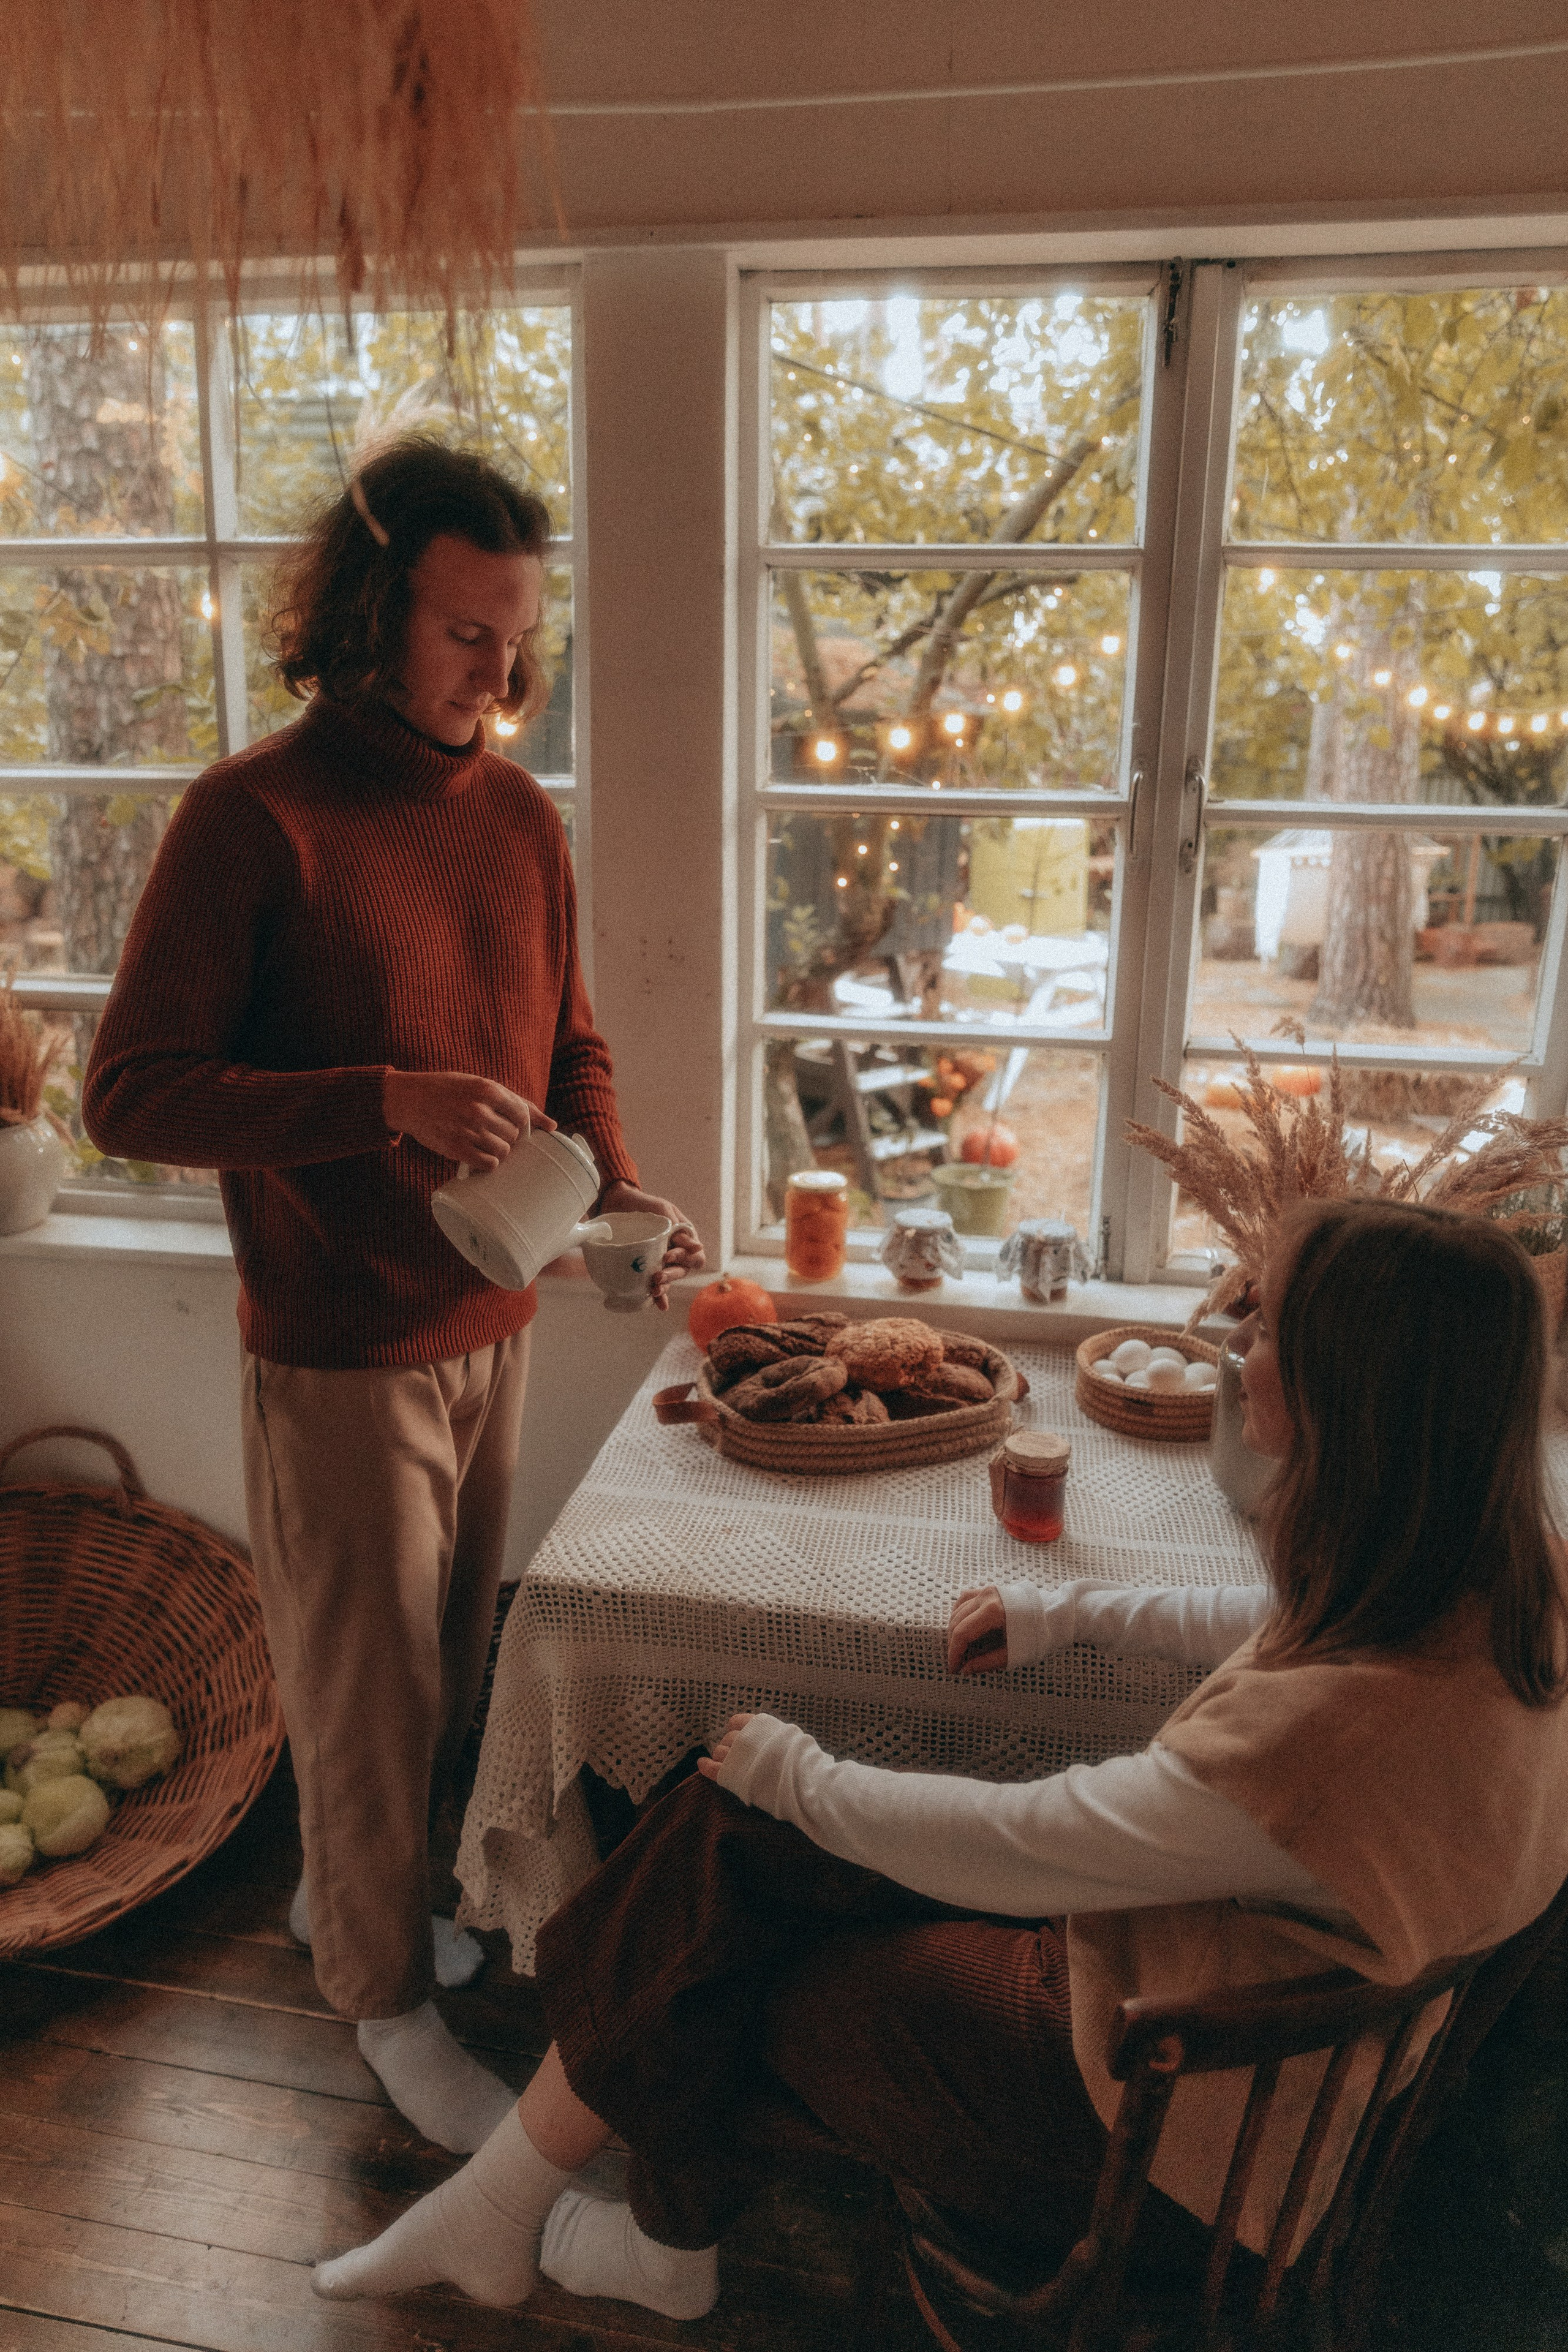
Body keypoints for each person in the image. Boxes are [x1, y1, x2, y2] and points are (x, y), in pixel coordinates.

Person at [308, 1197, 1568, 2331]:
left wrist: (803, 1777)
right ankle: (561, 2221)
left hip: (1162, 2117)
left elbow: (1038, 1844)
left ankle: (605, 2235)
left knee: (732, 1948)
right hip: (1210, 1993)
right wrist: (1070, 1614)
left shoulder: (1332, 1744)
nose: (1238, 1349)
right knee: (724, 1840)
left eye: (1269, 1327)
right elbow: (1269, 1616)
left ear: (1364, 1385)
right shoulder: (1489, 1584)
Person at [82, 438, 704, 2153]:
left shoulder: (515, 815)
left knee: (445, 1669)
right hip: (339, 1343)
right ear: (368, 614)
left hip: (490, 1321)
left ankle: (349, 1912)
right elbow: (128, 1096)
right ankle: (378, 2000)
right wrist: (376, 1095)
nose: (504, 678)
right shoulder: (250, 815)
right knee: (366, 1704)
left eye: (521, 640)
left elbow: (566, 1040)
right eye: (468, 637)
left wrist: (618, 1184)